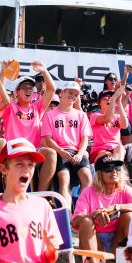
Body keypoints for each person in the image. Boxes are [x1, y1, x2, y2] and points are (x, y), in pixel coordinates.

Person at [72, 155, 132, 263]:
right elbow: (75, 221)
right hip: (95, 239)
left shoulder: (124, 189)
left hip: (118, 239)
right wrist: (94, 215)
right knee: (86, 222)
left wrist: (115, 207)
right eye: (108, 169)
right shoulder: (88, 192)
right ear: (100, 174)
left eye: (117, 168)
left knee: (129, 216)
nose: (114, 171)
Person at [1, 61, 57, 191]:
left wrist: (44, 70)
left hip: (33, 150)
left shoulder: (37, 107)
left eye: (31, 88)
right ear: (17, 91)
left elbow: (51, 89)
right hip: (15, 149)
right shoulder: (10, 106)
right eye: (25, 87)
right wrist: (3, 72)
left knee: (51, 153)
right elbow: (1, 93)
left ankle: (41, 194)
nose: (28, 90)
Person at [41, 81, 93, 209]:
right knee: (64, 180)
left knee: (87, 178)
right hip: (60, 152)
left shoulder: (81, 115)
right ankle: (67, 215)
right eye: (70, 92)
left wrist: (80, 154)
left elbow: (85, 138)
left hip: (77, 152)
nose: (73, 96)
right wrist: (61, 152)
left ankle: (81, 210)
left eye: (76, 94)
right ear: (62, 93)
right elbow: (48, 139)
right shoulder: (49, 115)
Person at [90, 86, 128, 163]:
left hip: (116, 149)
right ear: (99, 103)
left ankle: (117, 168)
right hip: (99, 150)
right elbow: (107, 118)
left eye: (110, 97)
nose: (109, 99)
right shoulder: (94, 115)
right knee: (107, 156)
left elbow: (125, 125)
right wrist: (113, 99)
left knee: (121, 148)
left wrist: (119, 103)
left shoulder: (117, 116)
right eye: (105, 98)